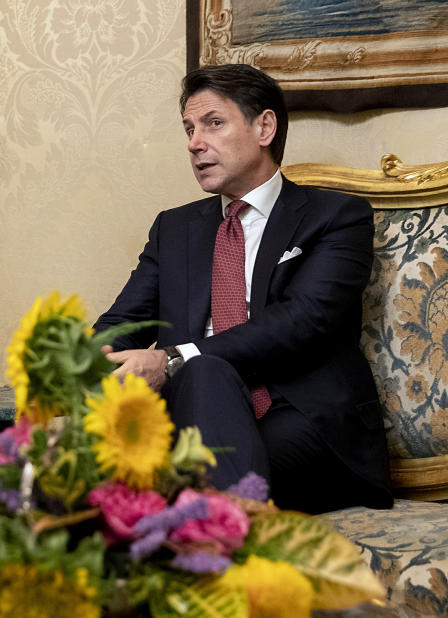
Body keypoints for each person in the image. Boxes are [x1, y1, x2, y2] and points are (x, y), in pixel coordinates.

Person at [94, 64, 392, 514]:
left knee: (199, 375)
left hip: (301, 418)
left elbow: (303, 320)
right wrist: (87, 358)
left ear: (264, 127)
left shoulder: (336, 216)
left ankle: (219, 532)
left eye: (214, 123)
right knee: (67, 467)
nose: (195, 143)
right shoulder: (175, 229)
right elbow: (124, 323)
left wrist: (175, 358)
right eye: (189, 129)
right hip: (189, 417)